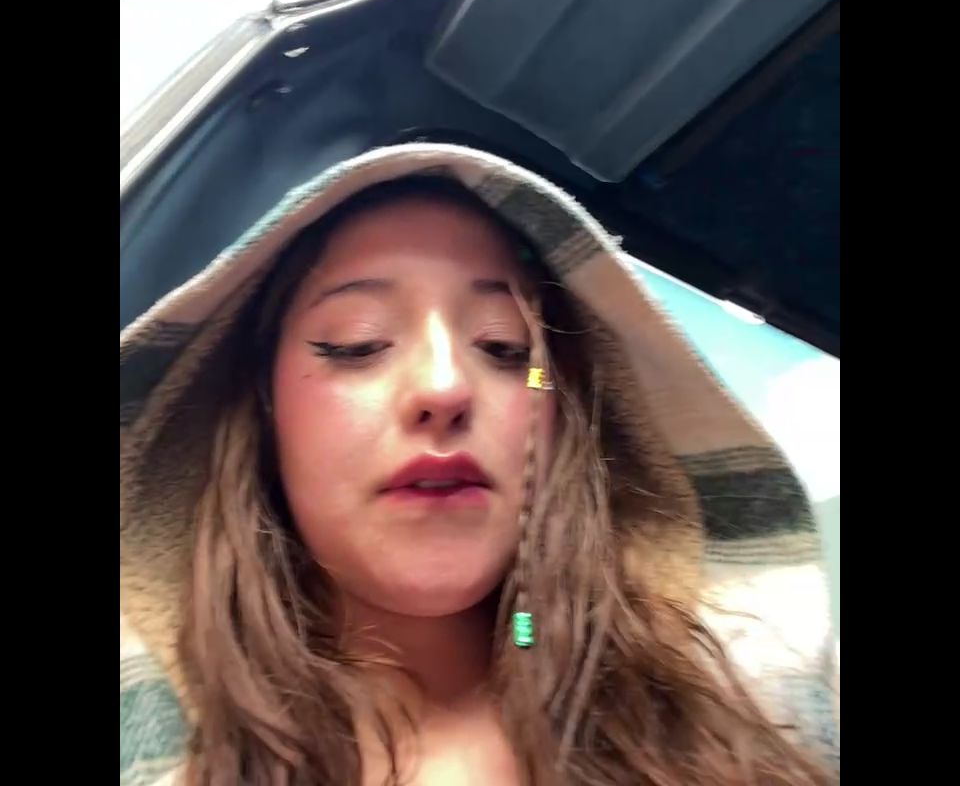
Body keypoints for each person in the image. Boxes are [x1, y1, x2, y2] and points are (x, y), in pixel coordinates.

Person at [120, 143, 839, 786]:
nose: (445, 387)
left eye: (506, 349)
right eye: (357, 343)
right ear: (263, 407)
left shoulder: (754, 716)